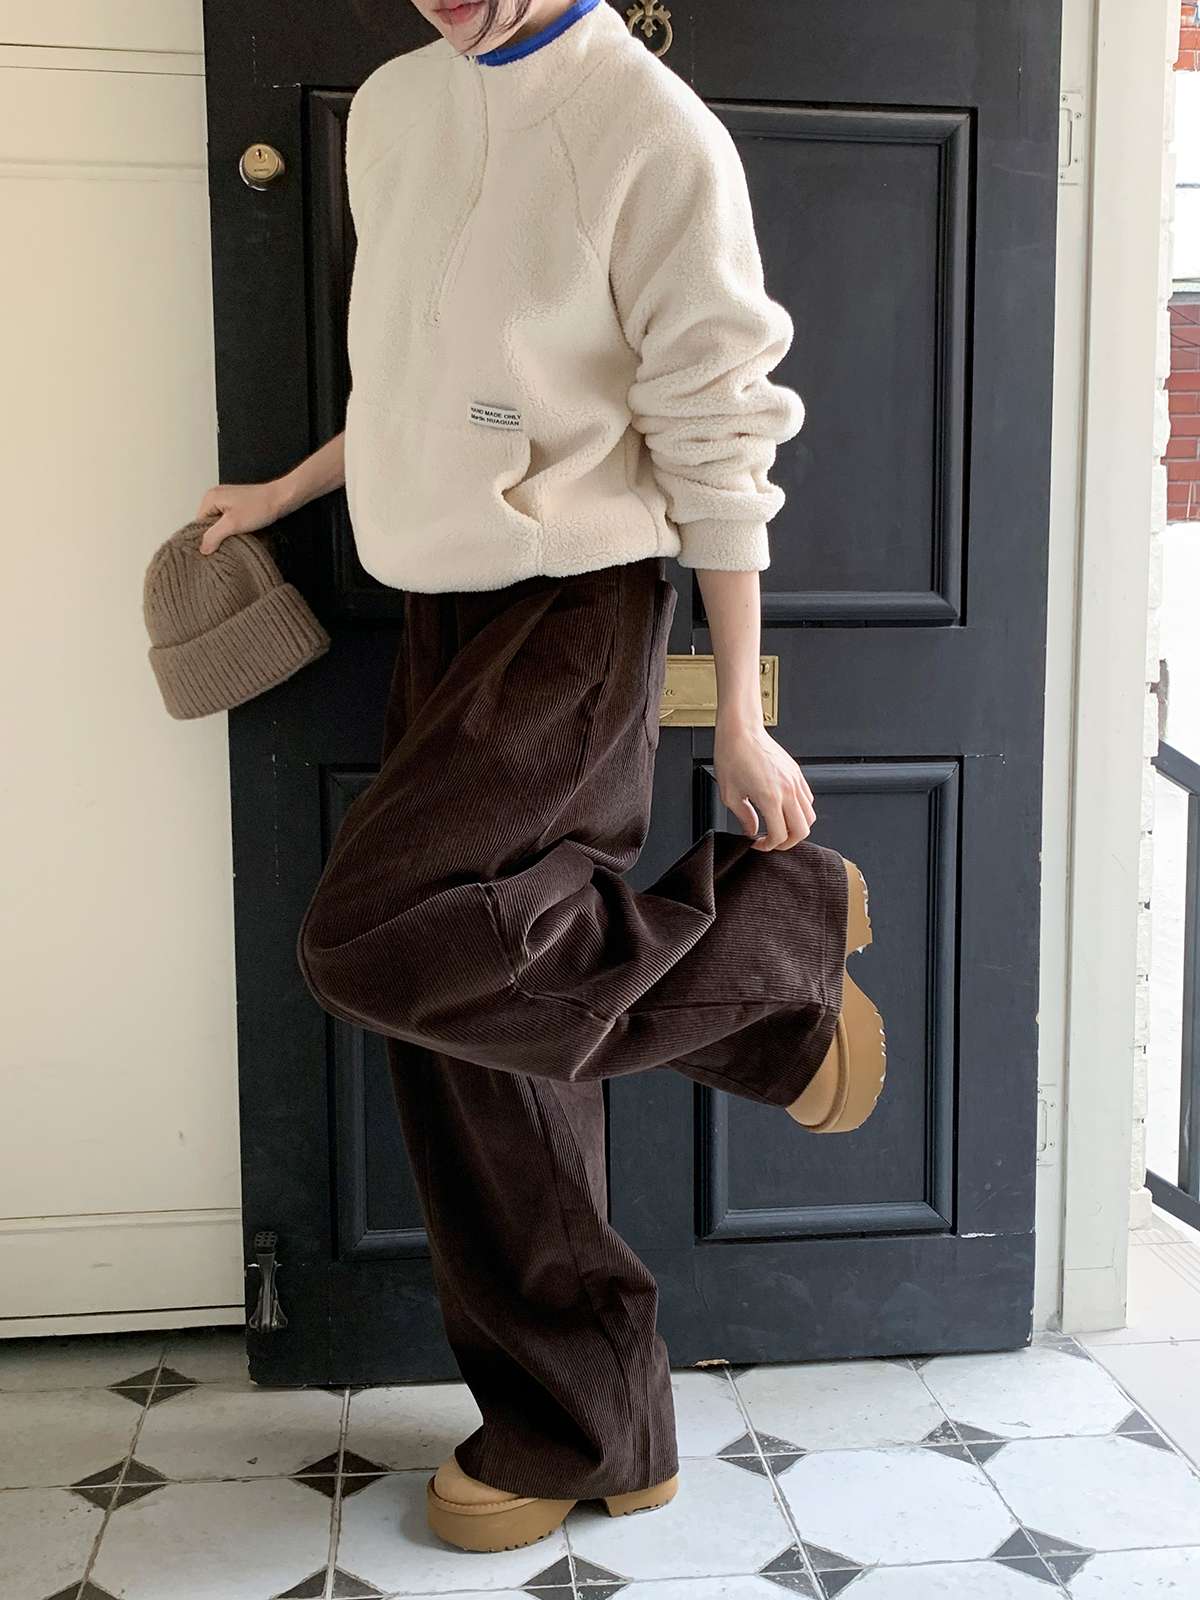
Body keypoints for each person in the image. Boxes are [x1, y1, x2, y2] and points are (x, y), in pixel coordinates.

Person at [195, 0, 886, 1557]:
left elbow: (717, 433)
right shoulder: (394, 107)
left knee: (372, 937)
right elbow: (414, 376)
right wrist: (293, 488)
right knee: (461, 1030)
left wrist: (739, 713)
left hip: (579, 606)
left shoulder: (651, 133)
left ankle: (776, 954)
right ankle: (587, 1425)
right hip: (438, 604)